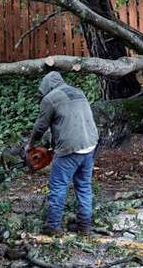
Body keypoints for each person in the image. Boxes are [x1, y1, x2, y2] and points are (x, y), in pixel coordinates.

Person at [26, 71, 99, 235]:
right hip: (90, 144)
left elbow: (40, 127)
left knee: (58, 187)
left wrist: (30, 144)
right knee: (84, 186)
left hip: (70, 148)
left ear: (47, 86)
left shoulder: (50, 98)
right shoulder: (78, 92)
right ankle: (85, 225)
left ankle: (53, 226)